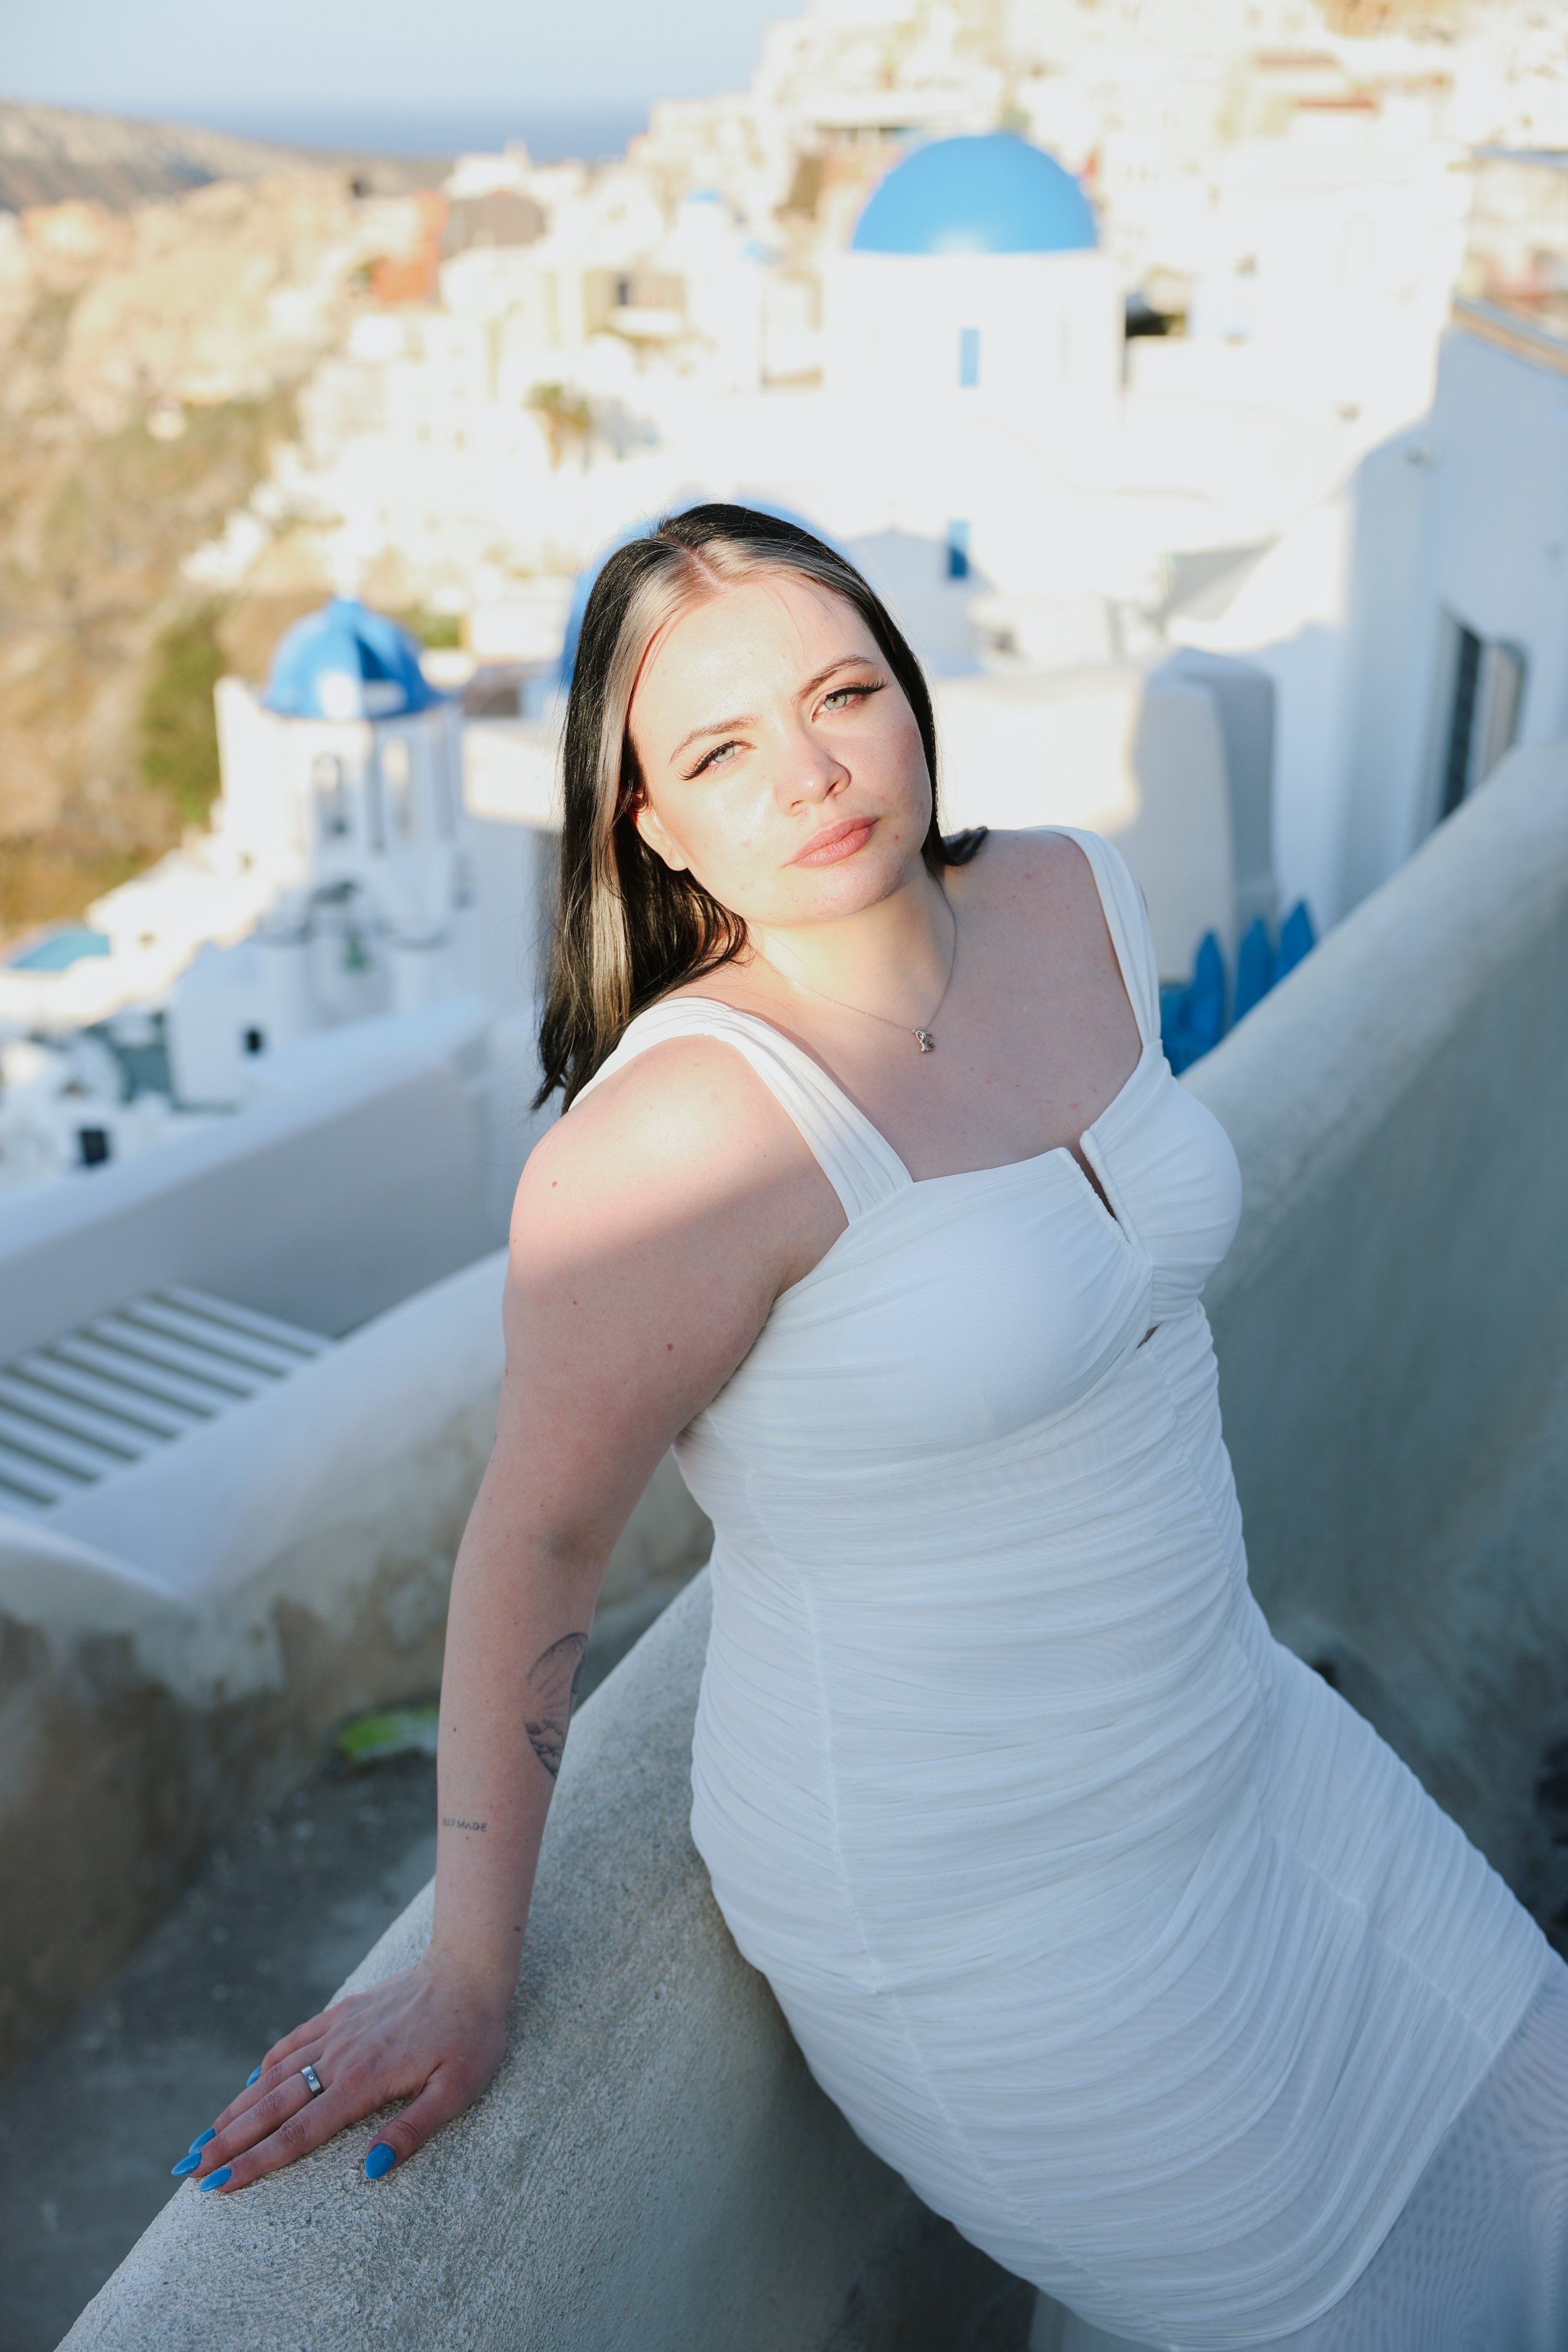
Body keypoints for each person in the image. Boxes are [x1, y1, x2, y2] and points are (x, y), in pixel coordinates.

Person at [183, 507, 1567, 2349]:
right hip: (988, 1909)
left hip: (1243, 1748)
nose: (811, 772)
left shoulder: (1073, 895)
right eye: (719, 752)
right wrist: (461, 1964)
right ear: (650, 831)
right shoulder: (674, 1141)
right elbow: (532, 1542)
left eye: (843, 693)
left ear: (912, 701)